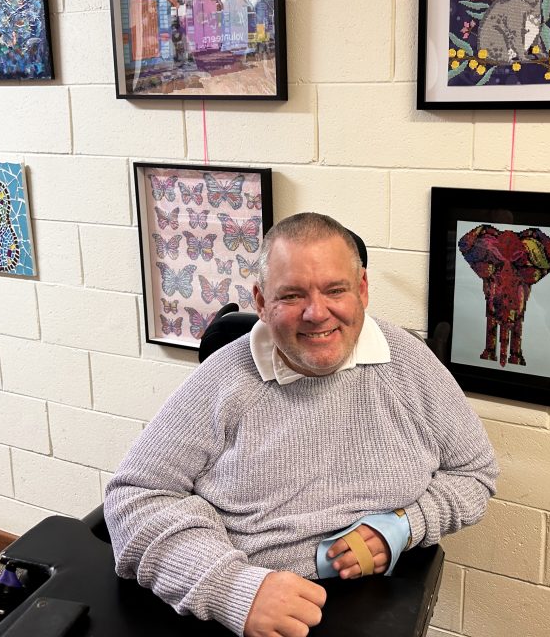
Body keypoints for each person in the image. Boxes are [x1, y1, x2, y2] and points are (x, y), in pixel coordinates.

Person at [104, 212, 498, 637]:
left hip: (367, 602)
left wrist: (405, 525)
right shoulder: (224, 379)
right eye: (291, 296)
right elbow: (135, 497)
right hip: (241, 597)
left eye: (335, 290)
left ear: (362, 289)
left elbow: (475, 473)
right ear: (260, 300)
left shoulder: (410, 365)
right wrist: (232, 588)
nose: (316, 313)